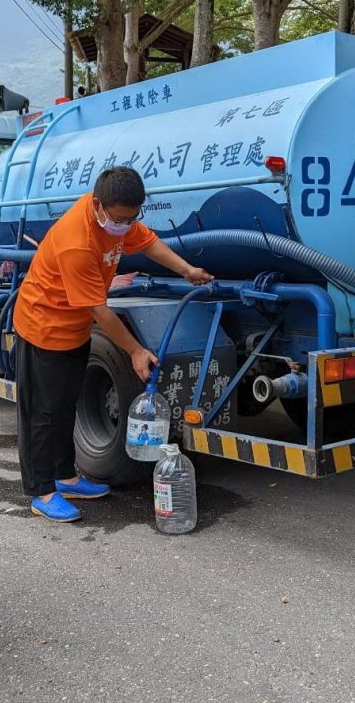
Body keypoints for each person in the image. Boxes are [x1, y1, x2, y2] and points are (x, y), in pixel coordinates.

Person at [12, 166, 213, 522]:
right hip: (43, 327)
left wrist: (187, 270)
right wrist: (135, 350)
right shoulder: (78, 240)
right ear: (97, 205)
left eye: (131, 217)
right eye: (120, 218)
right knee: (43, 413)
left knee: (65, 407)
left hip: (74, 329)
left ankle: (67, 477)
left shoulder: (116, 219)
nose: (125, 224)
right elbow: (101, 310)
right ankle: (41, 491)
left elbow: (148, 242)